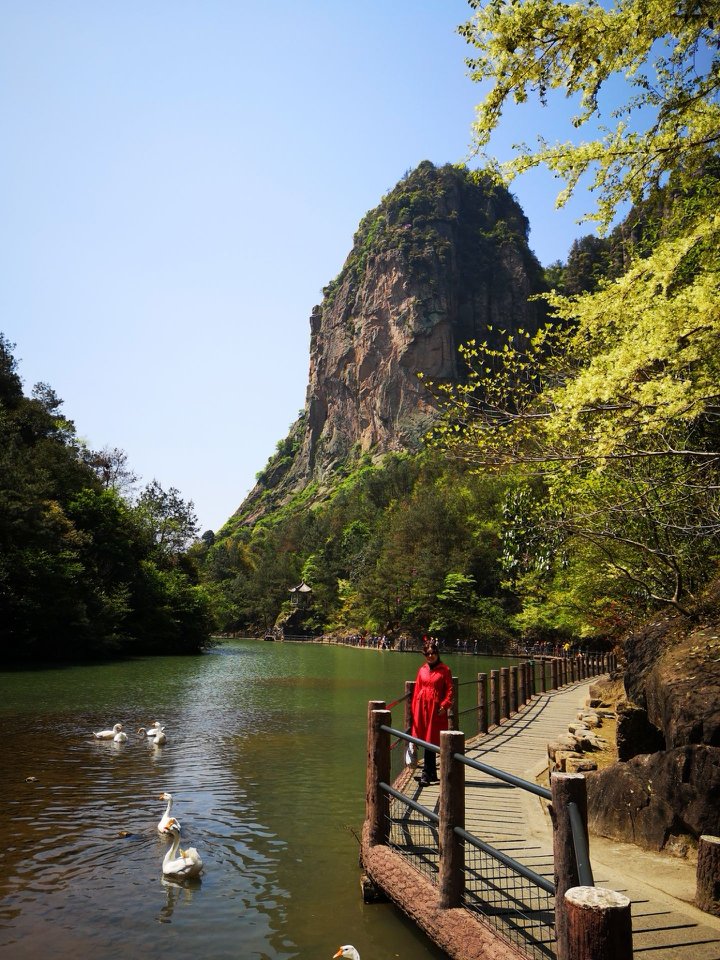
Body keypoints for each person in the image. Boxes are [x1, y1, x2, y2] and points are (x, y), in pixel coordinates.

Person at [410, 639, 453, 787]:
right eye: (427, 654)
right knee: (423, 738)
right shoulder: (422, 670)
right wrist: (414, 709)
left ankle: (426, 774)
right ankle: (432, 773)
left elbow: (449, 691)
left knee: (431, 739)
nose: (430, 656)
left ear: (437, 653)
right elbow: (416, 690)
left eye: (433, 653)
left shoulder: (445, 670)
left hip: (436, 710)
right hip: (421, 708)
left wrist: (445, 705)